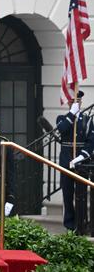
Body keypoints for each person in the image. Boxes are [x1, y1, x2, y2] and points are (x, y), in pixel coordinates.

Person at [55, 90, 91, 230]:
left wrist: (81, 156)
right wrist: (72, 114)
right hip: (66, 160)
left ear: (81, 102)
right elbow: (61, 130)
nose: (74, 103)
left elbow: (90, 142)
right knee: (67, 193)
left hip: (81, 162)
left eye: (77, 101)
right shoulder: (61, 118)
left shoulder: (87, 121)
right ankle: (69, 224)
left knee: (81, 195)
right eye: (71, 101)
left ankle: (81, 223)